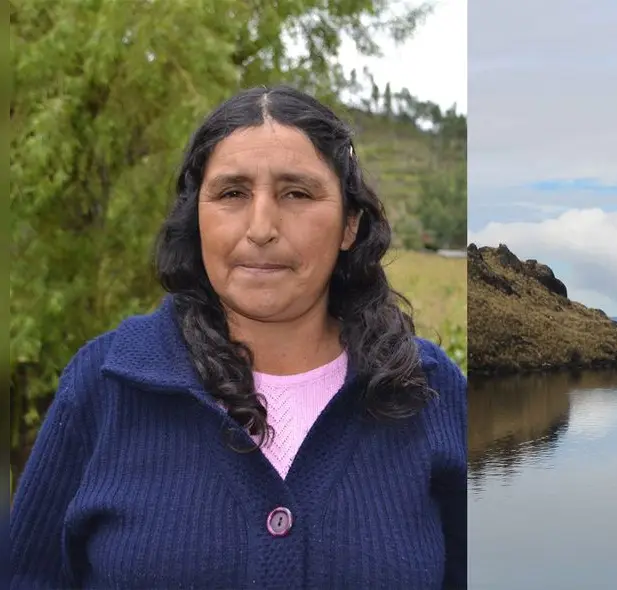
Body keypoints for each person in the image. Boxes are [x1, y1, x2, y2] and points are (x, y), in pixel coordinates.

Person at [10, 86, 467, 590]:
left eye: (297, 193)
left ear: (349, 225)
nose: (262, 227)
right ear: (197, 218)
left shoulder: (429, 391)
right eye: (232, 193)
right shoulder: (104, 383)